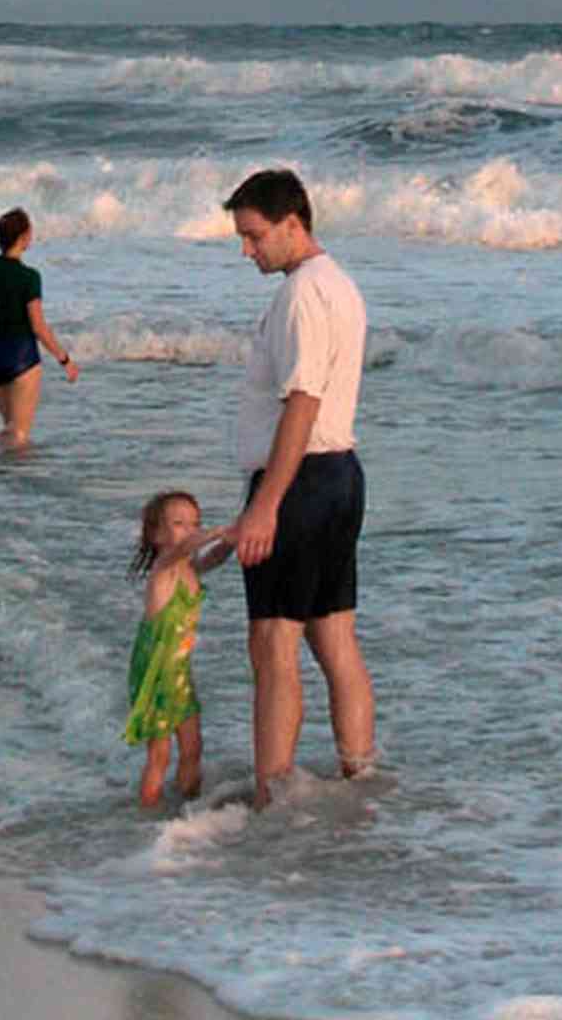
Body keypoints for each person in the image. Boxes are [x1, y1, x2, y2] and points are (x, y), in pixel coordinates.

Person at [221, 168, 375, 807]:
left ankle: (272, 795)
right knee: (332, 633)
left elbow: (302, 404)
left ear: (292, 223)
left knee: (273, 638)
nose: (246, 250)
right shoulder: (340, 286)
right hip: (339, 475)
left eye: (254, 236)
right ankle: (360, 772)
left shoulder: (304, 295)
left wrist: (265, 505)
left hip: (302, 480)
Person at [124, 489, 232, 808]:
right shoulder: (165, 566)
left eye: (195, 523)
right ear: (157, 534)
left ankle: (188, 804)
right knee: (160, 753)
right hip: (156, 670)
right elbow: (188, 545)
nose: (190, 530)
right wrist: (214, 533)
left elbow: (212, 556)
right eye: (179, 523)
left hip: (179, 670)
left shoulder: (189, 566)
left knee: (193, 745)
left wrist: (232, 540)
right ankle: (147, 812)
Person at [0, 206, 77, 449]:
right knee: (18, 435)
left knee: (10, 428)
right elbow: (38, 326)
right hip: (21, 357)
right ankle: (1, 473)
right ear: (24, 237)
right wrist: (65, 360)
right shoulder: (29, 276)